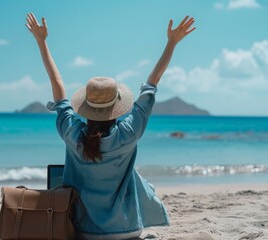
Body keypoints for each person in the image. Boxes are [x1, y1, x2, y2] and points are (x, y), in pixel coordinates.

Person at [25, 13, 195, 239]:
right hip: (128, 230)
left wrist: (41, 41)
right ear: (117, 106)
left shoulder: (72, 133)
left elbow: (57, 85)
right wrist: (171, 43)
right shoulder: (129, 132)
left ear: (86, 106)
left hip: (84, 232)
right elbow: (152, 83)